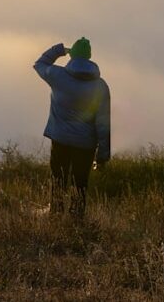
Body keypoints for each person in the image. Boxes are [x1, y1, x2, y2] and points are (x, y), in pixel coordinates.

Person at [33, 37, 110, 217]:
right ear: (89, 57)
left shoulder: (57, 75)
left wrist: (60, 50)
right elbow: (103, 123)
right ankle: (75, 225)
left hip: (60, 140)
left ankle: (56, 218)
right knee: (80, 186)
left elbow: (39, 64)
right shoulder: (101, 86)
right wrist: (103, 156)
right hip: (86, 145)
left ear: (72, 55)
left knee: (58, 182)